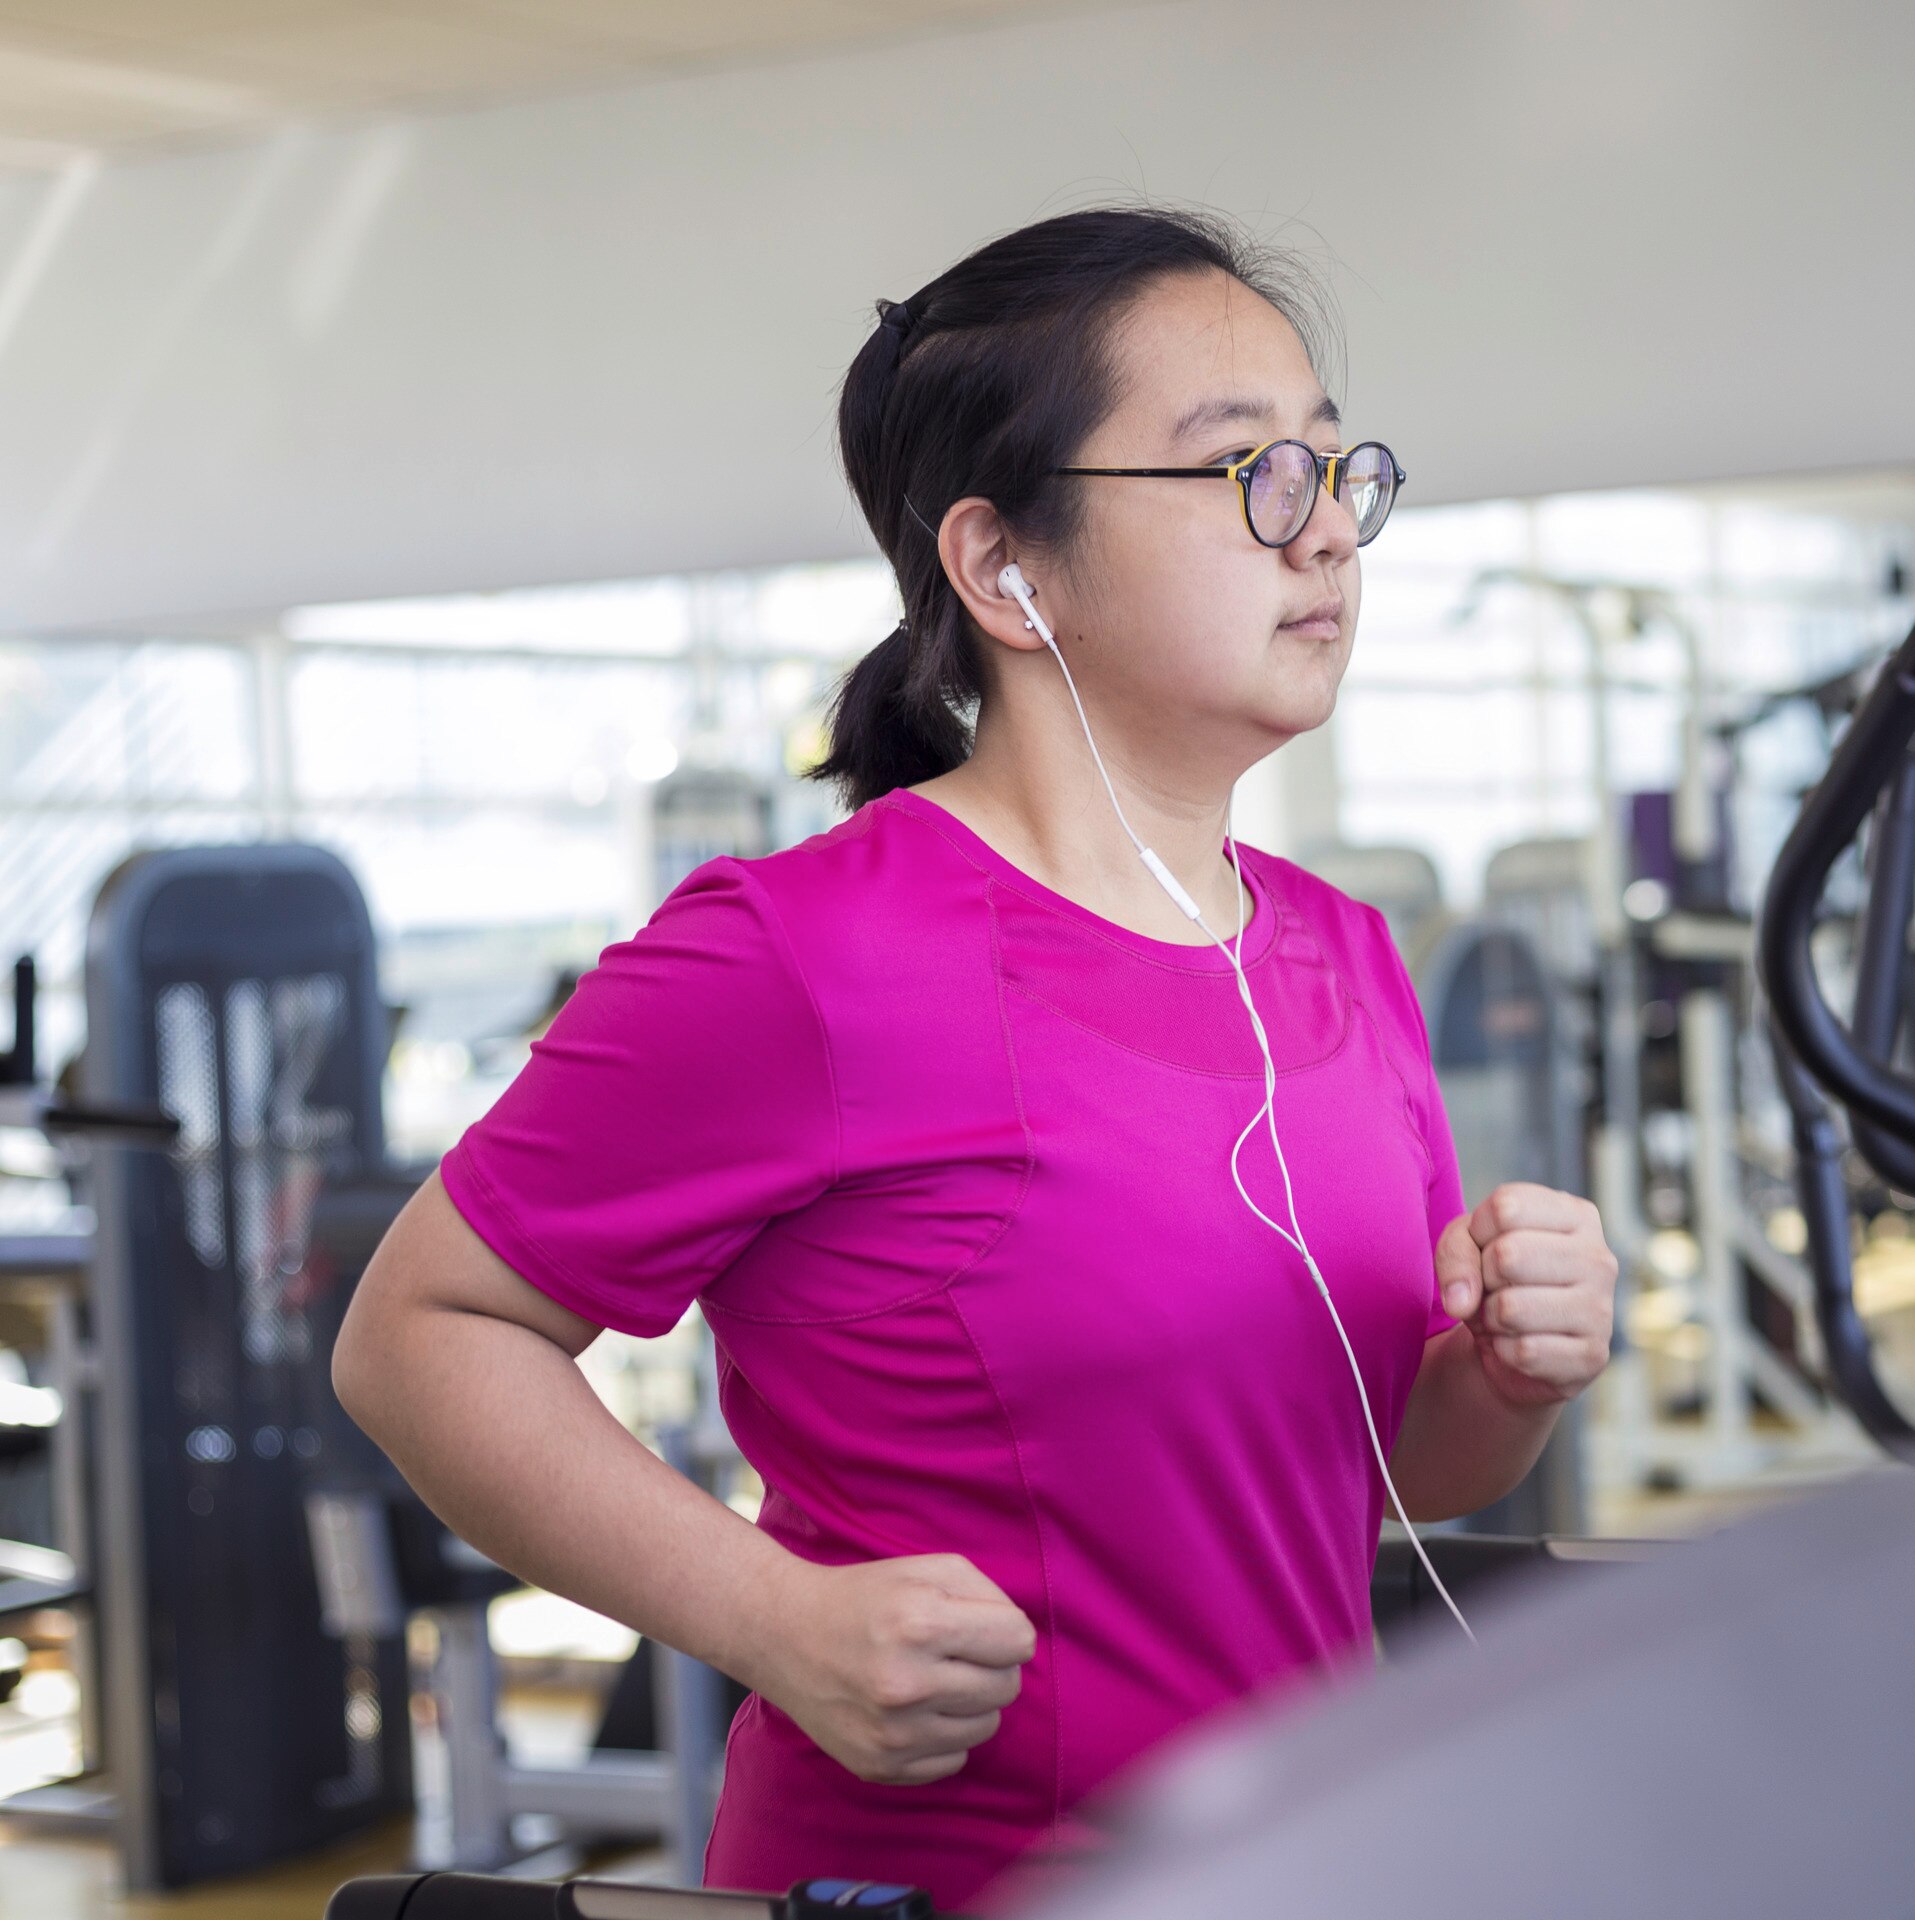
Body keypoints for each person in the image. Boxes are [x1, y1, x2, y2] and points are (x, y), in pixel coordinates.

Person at [333, 206, 1619, 1907]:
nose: (1325, 538)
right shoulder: (802, 955)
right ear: (1007, 568)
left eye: (1333, 464)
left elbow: (1391, 1475)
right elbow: (417, 1334)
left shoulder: (1337, 948)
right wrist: (766, 1618)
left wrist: (1511, 1376)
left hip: (1310, 1867)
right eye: (1248, 472)